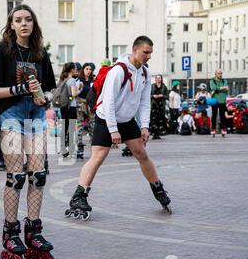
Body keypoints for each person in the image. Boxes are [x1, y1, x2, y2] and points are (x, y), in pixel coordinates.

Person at [67, 36, 172, 221]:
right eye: (145, 52)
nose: (148, 56)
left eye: (150, 53)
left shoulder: (145, 73)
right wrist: (113, 130)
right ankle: (79, 196)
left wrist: (145, 126)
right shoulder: (118, 71)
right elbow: (108, 102)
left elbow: (144, 103)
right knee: (98, 157)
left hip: (127, 119)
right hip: (106, 117)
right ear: (135, 50)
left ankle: (158, 189)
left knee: (142, 154)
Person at [0, 4, 56, 259]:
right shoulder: (4, 51)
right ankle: (10, 232)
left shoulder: (40, 53)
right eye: (18, 20)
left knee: (38, 175)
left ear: (34, 24)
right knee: (15, 176)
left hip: (35, 115)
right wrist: (21, 88)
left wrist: (44, 97)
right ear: (11, 24)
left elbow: (49, 90)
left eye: (28, 19)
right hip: (10, 114)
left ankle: (33, 231)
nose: (23, 24)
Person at [59, 62, 79, 158]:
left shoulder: (63, 79)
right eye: (75, 68)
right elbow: (74, 94)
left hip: (63, 106)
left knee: (64, 127)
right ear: (71, 70)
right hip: (71, 106)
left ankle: (63, 149)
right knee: (71, 127)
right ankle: (71, 149)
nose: (76, 70)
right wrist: (80, 89)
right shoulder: (72, 80)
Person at [76, 63, 95, 158]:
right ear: (83, 70)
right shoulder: (78, 81)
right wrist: (84, 100)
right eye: (87, 69)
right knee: (79, 127)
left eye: (90, 69)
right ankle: (79, 150)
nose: (88, 71)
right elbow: (75, 95)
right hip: (80, 106)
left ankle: (94, 149)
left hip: (90, 106)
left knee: (92, 127)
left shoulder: (93, 81)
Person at [209, 70, 229, 137]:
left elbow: (227, 88)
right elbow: (213, 87)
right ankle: (213, 129)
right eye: (218, 73)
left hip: (222, 100)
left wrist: (217, 90)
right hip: (215, 101)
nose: (220, 74)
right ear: (215, 74)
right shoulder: (212, 81)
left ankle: (223, 129)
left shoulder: (224, 81)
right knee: (214, 115)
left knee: (222, 115)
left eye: (221, 73)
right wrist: (223, 88)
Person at [150, 75, 168, 139]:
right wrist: (153, 96)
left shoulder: (164, 87)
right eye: (157, 78)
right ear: (155, 79)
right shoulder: (152, 86)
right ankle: (154, 133)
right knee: (153, 120)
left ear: (161, 79)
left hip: (161, 106)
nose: (158, 79)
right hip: (154, 105)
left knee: (160, 119)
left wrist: (162, 95)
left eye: (159, 78)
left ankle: (158, 133)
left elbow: (167, 96)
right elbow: (148, 95)